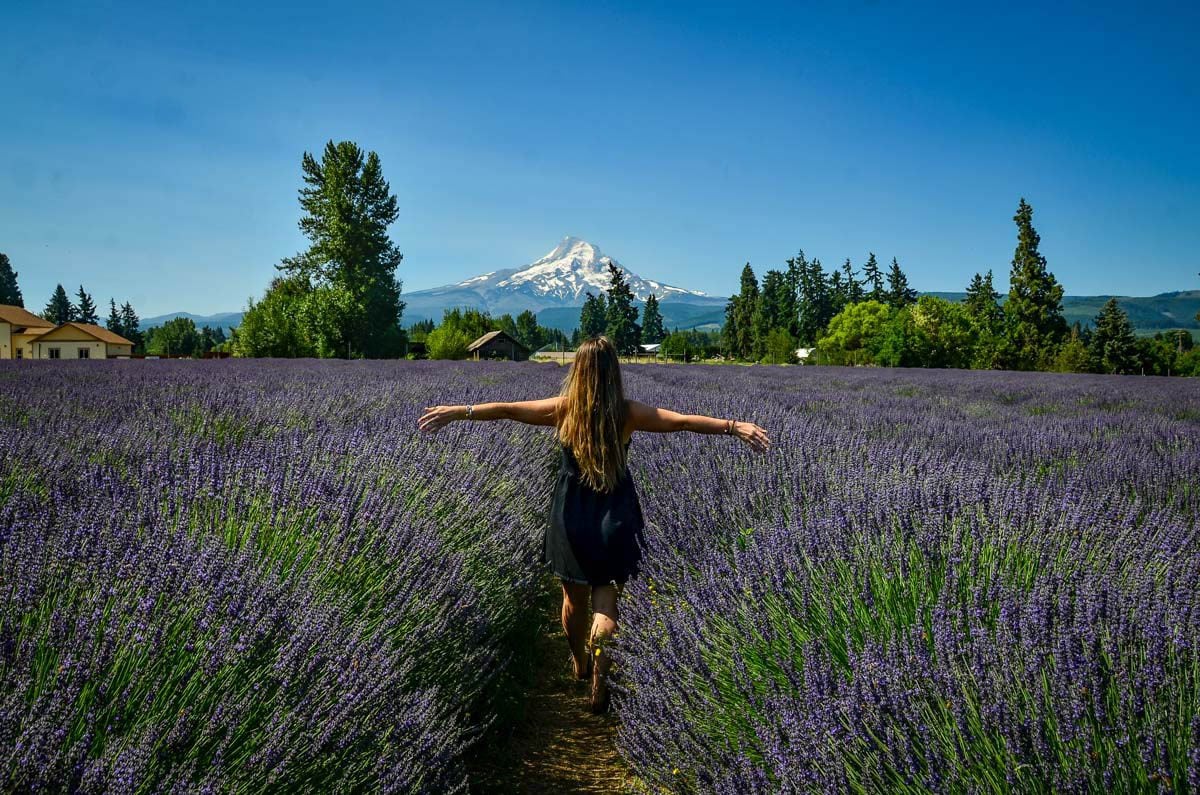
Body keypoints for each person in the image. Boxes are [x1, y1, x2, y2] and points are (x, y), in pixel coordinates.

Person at [417, 336, 770, 713]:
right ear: (614, 372)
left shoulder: (563, 410)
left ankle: (580, 663)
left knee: (573, 600)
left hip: (572, 517)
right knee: (606, 605)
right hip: (615, 518)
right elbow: (682, 421)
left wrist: (459, 411)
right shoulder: (628, 413)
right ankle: (600, 682)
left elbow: (507, 410)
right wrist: (734, 426)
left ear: (578, 372)